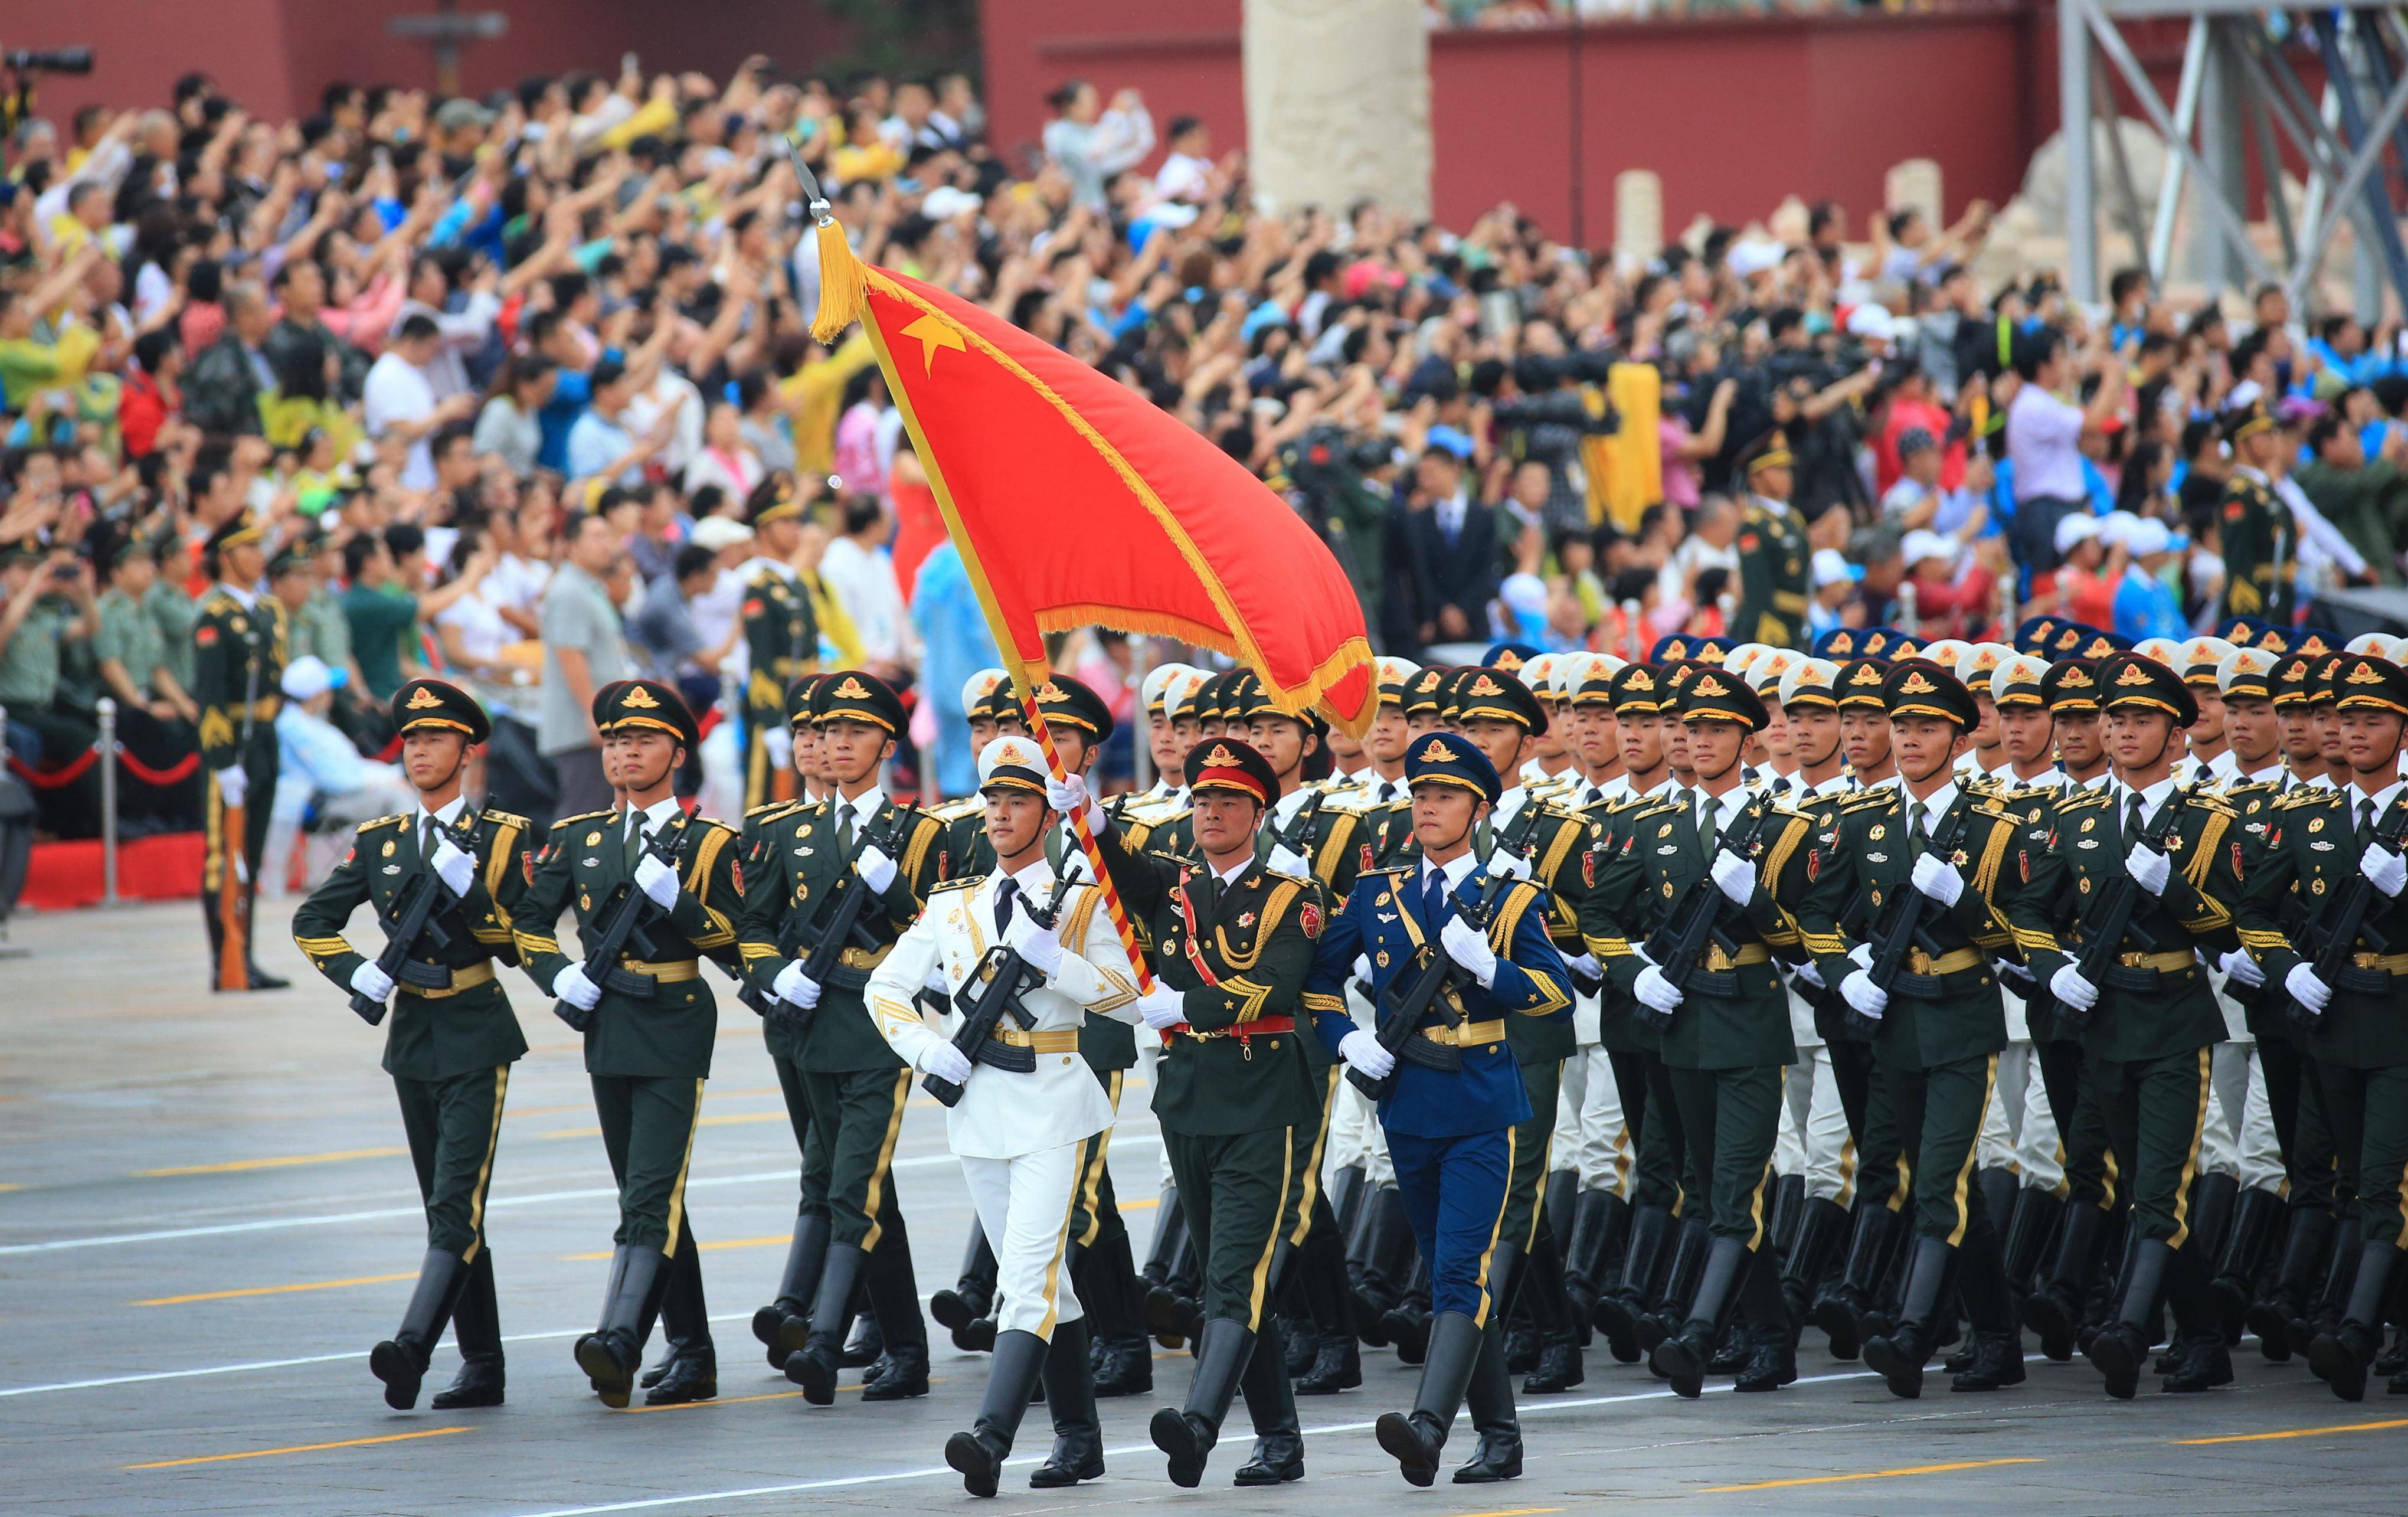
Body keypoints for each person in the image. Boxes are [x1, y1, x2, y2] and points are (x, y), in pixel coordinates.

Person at [861, 732, 1143, 1496]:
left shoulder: (1080, 903)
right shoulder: (954, 907)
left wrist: (1059, 963)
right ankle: (1080, 1441)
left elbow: (1132, 996)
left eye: (1019, 801)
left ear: (1046, 817)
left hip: (1053, 1100)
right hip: (978, 1105)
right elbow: (883, 988)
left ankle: (991, 1436)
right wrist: (927, 1048)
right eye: (993, 801)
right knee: (1051, 1285)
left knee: (1025, 1276)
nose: (1002, 814)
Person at [1303, 732, 1571, 1487]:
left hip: (1482, 1102)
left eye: (1446, 795)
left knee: (1458, 1267)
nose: (1428, 806)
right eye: (1421, 793)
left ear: (1479, 807)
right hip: (1408, 1103)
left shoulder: (1511, 898)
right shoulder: (1376, 892)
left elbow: (1555, 995)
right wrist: (1346, 1039)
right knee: (1458, 1277)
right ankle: (1502, 1435)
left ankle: (1427, 1425)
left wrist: (1493, 966)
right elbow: (1319, 981)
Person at [290, 679, 532, 1411]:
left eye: (435, 739)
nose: (420, 751)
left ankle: (414, 1346)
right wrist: (355, 969)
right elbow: (311, 919)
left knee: (457, 1201)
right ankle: (484, 1364)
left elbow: (522, 944)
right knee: (447, 1209)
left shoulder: (501, 838)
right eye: (411, 740)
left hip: (476, 1026)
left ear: (467, 749)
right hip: (412, 1035)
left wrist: (478, 896)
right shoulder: (382, 841)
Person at [2010, 652, 2245, 1398]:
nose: (2121, 730)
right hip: (2102, 1015)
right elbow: (2027, 912)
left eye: (2141, 719)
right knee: (2140, 1181)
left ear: (2177, 736)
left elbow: (2234, 928)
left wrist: (2170, 888)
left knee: (2161, 1182)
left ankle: (2130, 1327)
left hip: (2173, 1013)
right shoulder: (2073, 817)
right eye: (2115, 717)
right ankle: (2205, 1336)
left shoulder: (2208, 817)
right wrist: (2056, 969)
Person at [1795, 659, 2027, 1396]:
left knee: (1938, 1178)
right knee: (1953, 1185)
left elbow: (2021, 939)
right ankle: (1997, 1335)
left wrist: (1963, 899)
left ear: (1959, 738)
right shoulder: (1863, 820)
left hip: (1960, 1016)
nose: (1909, 739)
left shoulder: (1989, 820)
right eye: (1902, 726)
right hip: (1893, 1020)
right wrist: (1847, 971)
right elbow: (1815, 914)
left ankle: (1911, 1330)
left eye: (1927, 727)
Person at [512, 679, 743, 1408]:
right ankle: (694, 1350)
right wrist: (558, 975)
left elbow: (741, 944)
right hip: (608, 1021)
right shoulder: (581, 838)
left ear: (677, 751)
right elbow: (525, 922)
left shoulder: (707, 842)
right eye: (614, 740)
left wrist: (684, 903)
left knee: (649, 1190)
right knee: (651, 1192)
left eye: (640, 740)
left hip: (674, 1017)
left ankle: (619, 1336)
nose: (624, 752)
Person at [1588, 665, 1816, 1399]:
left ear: (1748, 739)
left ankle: (1701, 1330)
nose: (1702, 740)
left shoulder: (1779, 824)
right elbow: (1599, 916)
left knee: (1736, 1185)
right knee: (1703, 1183)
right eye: (1693, 728)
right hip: (1679, 1023)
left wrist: (1760, 906)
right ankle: (1770, 1337)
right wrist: (1633, 973)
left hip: (1748, 1020)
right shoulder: (1654, 826)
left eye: (1718, 729)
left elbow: (1804, 940)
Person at [738, 671, 946, 1406]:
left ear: (887, 743)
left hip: (876, 1027)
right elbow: (753, 925)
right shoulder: (790, 831)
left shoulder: (919, 832)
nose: (837, 744)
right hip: (808, 1023)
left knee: (856, 1183)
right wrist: (774, 973)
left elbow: (945, 929)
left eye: (855, 731)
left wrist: (893, 891)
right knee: (853, 1186)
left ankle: (824, 1338)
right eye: (828, 733)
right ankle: (906, 1346)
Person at [2239, 650, 2408, 1401]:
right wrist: (2286, 968)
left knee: (2385, 1179)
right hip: (2333, 1016)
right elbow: (2255, 908)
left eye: (2375, 720)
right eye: (2348, 719)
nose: (2358, 732)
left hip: (2401, 1014)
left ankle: (2360, 1329)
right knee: (2352, 1178)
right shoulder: (2307, 816)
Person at [193, 511, 287, 990]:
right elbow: (208, 698)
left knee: (251, 850)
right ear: (226, 557)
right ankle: (222, 959)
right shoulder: (213, 617)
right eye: (248, 548)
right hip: (232, 742)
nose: (258, 556)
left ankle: (245, 956)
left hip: (266, 738)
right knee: (223, 855)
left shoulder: (268, 609)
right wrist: (223, 762)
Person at [538, 510, 630, 823]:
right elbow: (570, 654)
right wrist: (594, 715)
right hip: (582, 726)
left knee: (598, 813)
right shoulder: (569, 590)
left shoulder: (589, 587)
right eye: (596, 537)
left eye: (609, 536)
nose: (607, 545)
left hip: (595, 722)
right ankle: (562, 873)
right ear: (571, 546)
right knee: (582, 818)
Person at [738, 488, 818, 810]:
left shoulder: (796, 583)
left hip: (803, 700)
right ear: (763, 529)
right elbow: (760, 659)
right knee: (764, 798)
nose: (794, 529)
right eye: (784, 522)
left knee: (801, 797)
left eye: (796, 521)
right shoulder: (759, 586)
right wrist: (771, 722)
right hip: (774, 701)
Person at [1730, 437, 1810, 647]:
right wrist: (1768, 623)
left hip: (1796, 620)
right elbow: (1757, 585)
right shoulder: (1754, 525)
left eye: (1788, 470)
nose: (1787, 477)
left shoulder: (1794, 520)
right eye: (1778, 470)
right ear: (1756, 477)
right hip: (1770, 623)